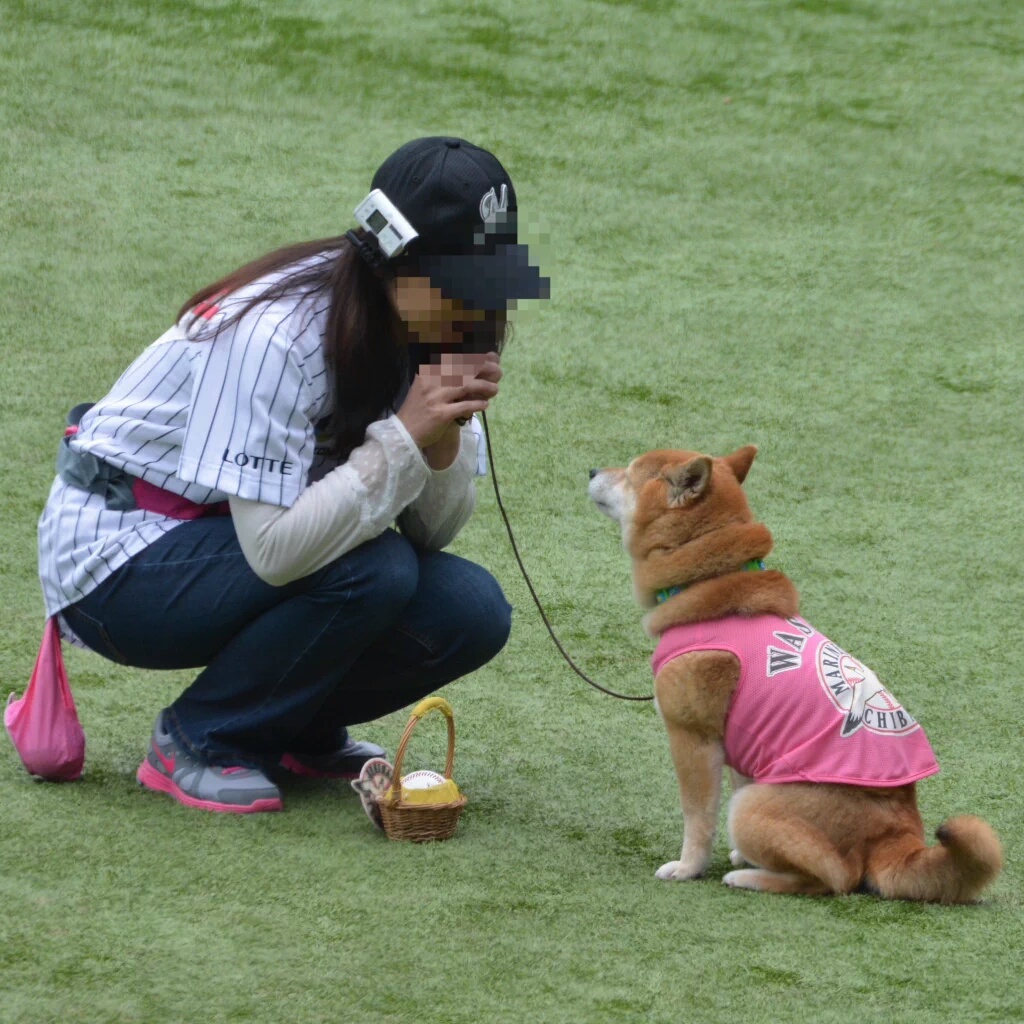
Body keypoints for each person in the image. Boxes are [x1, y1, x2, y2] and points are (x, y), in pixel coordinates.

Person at [36, 136, 549, 813]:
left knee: (470, 609)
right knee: (374, 569)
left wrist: (441, 432)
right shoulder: (274, 332)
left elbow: (434, 534)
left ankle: (293, 729)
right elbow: (274, 553)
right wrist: (404, 436)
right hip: (118, 554)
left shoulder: (426, 330)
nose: (481, 305)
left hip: (232, 540)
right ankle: (199, 739)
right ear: (395, 260)